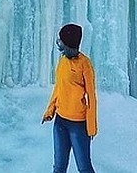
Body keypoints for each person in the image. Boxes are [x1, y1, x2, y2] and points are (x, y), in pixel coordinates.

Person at [41, 23, 97, 173]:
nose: (60, 44)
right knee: (59, 167)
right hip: (60, 122)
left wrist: (91, 127)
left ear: (69, 44)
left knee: (84, 167)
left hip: (78, 125)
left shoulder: (85, 64)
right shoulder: (62, 61)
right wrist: (50, 110)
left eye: (62, 42)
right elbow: (59, 88)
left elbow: (91, 97)